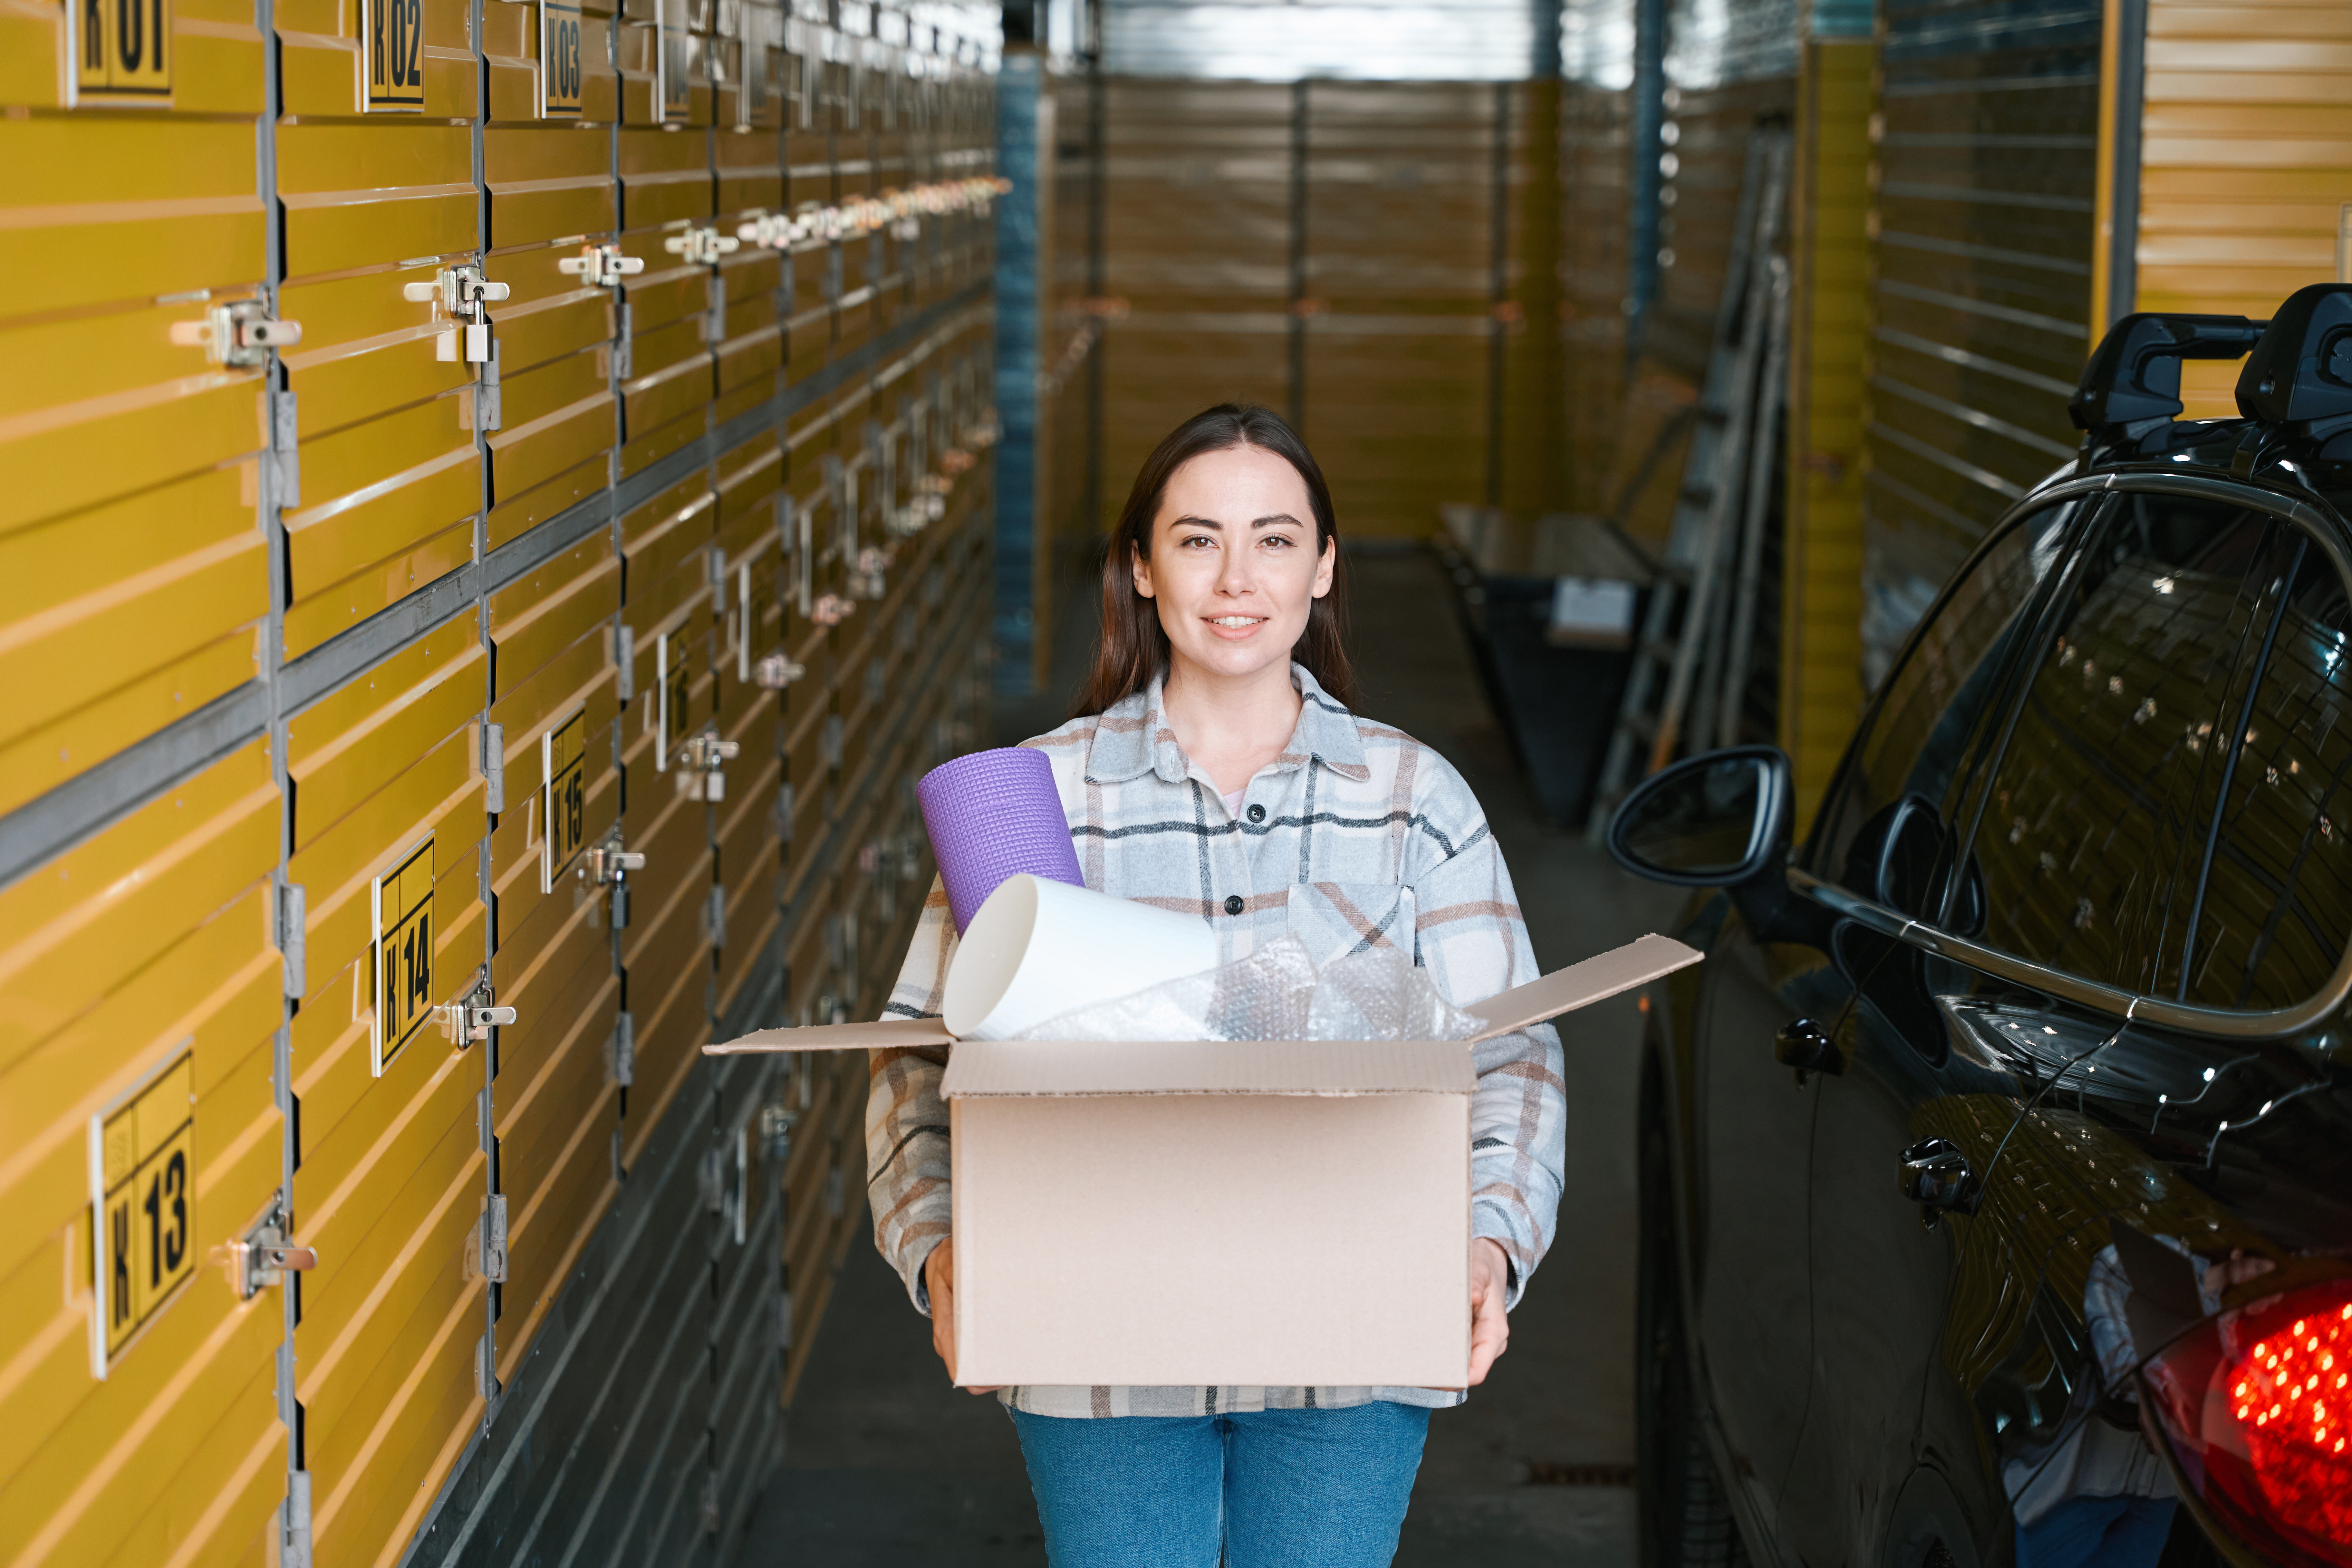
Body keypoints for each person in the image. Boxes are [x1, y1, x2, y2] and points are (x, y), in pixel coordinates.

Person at [864, 403, 1568, 1568]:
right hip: (1095, 1341)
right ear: (1141, 568)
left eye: (1275, 539)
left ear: (1324, 565)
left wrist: (1489, 1244)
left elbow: (1511, 1052)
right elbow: (913, 1057)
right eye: (1196, 540)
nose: (1235, 578)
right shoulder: (1038, 798)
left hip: (1355, 1334)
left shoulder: (1410, 797)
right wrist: (938, 1248)